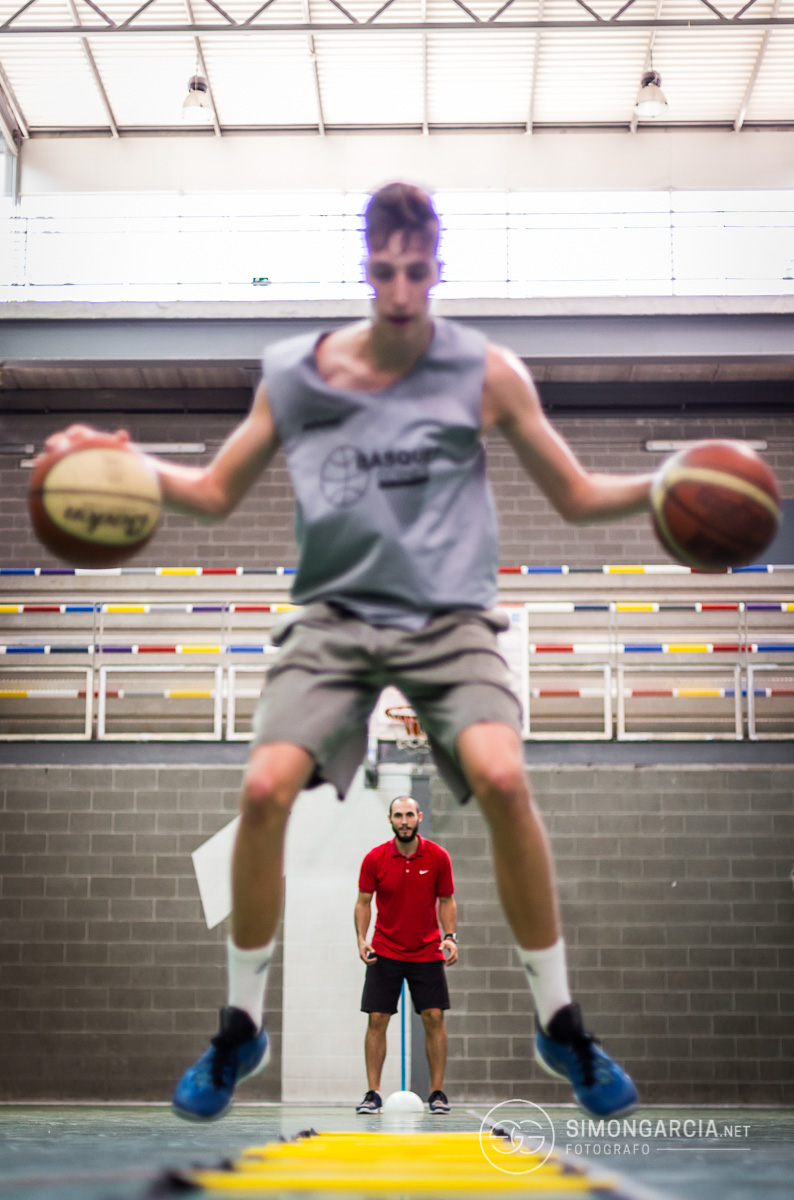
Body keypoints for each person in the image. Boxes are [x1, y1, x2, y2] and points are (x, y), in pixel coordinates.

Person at [45, 181, 653, 1123]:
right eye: (384, 271)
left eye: (417, 271)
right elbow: (210, 492)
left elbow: (573, 496)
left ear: (437, 270)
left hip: (450, 617)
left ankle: (560, 1022)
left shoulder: (487, 372)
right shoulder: (299, 374)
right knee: (260, 788)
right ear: (365, 270)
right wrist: (113, 464)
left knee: (503, 777)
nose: (401, 288)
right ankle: (240, 1027)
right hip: (332, 616)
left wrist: (669, 488)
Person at [355, 794, 457, 1115]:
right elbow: (363, 902)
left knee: (434, 1018)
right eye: (398, 816)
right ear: (390, 820)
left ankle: (437, 1093)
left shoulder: (438, 857)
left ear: (419, 817)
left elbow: (447, 900)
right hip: (385, 949)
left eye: (409, 815)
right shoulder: (375, 859)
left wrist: (450, 937)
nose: (404, 821)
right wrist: (361, 939)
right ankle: (373, 1093)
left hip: (427, 951)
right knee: (377, 1019)